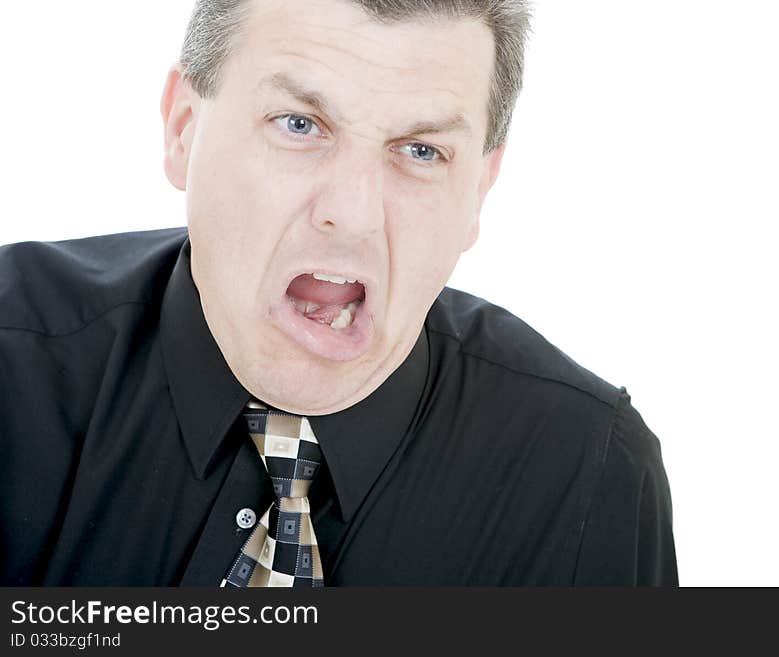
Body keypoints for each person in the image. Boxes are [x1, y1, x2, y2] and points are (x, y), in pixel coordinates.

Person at [0, 0, 676, 586]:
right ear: (182, 129)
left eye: (420, 151)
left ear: (479, 190)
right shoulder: (14, 370)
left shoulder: (590, 475)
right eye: (299, 123)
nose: (353, 214)